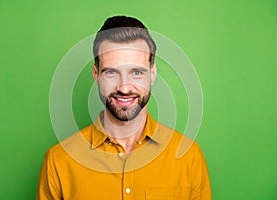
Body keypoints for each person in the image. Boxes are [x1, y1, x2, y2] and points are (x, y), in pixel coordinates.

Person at [37, 16, 211, 200]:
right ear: (96, 74)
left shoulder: (188, 157)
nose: (125, 87)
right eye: (111, 72)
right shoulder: (58, 161)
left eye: (136, 72)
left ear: (152, 74)